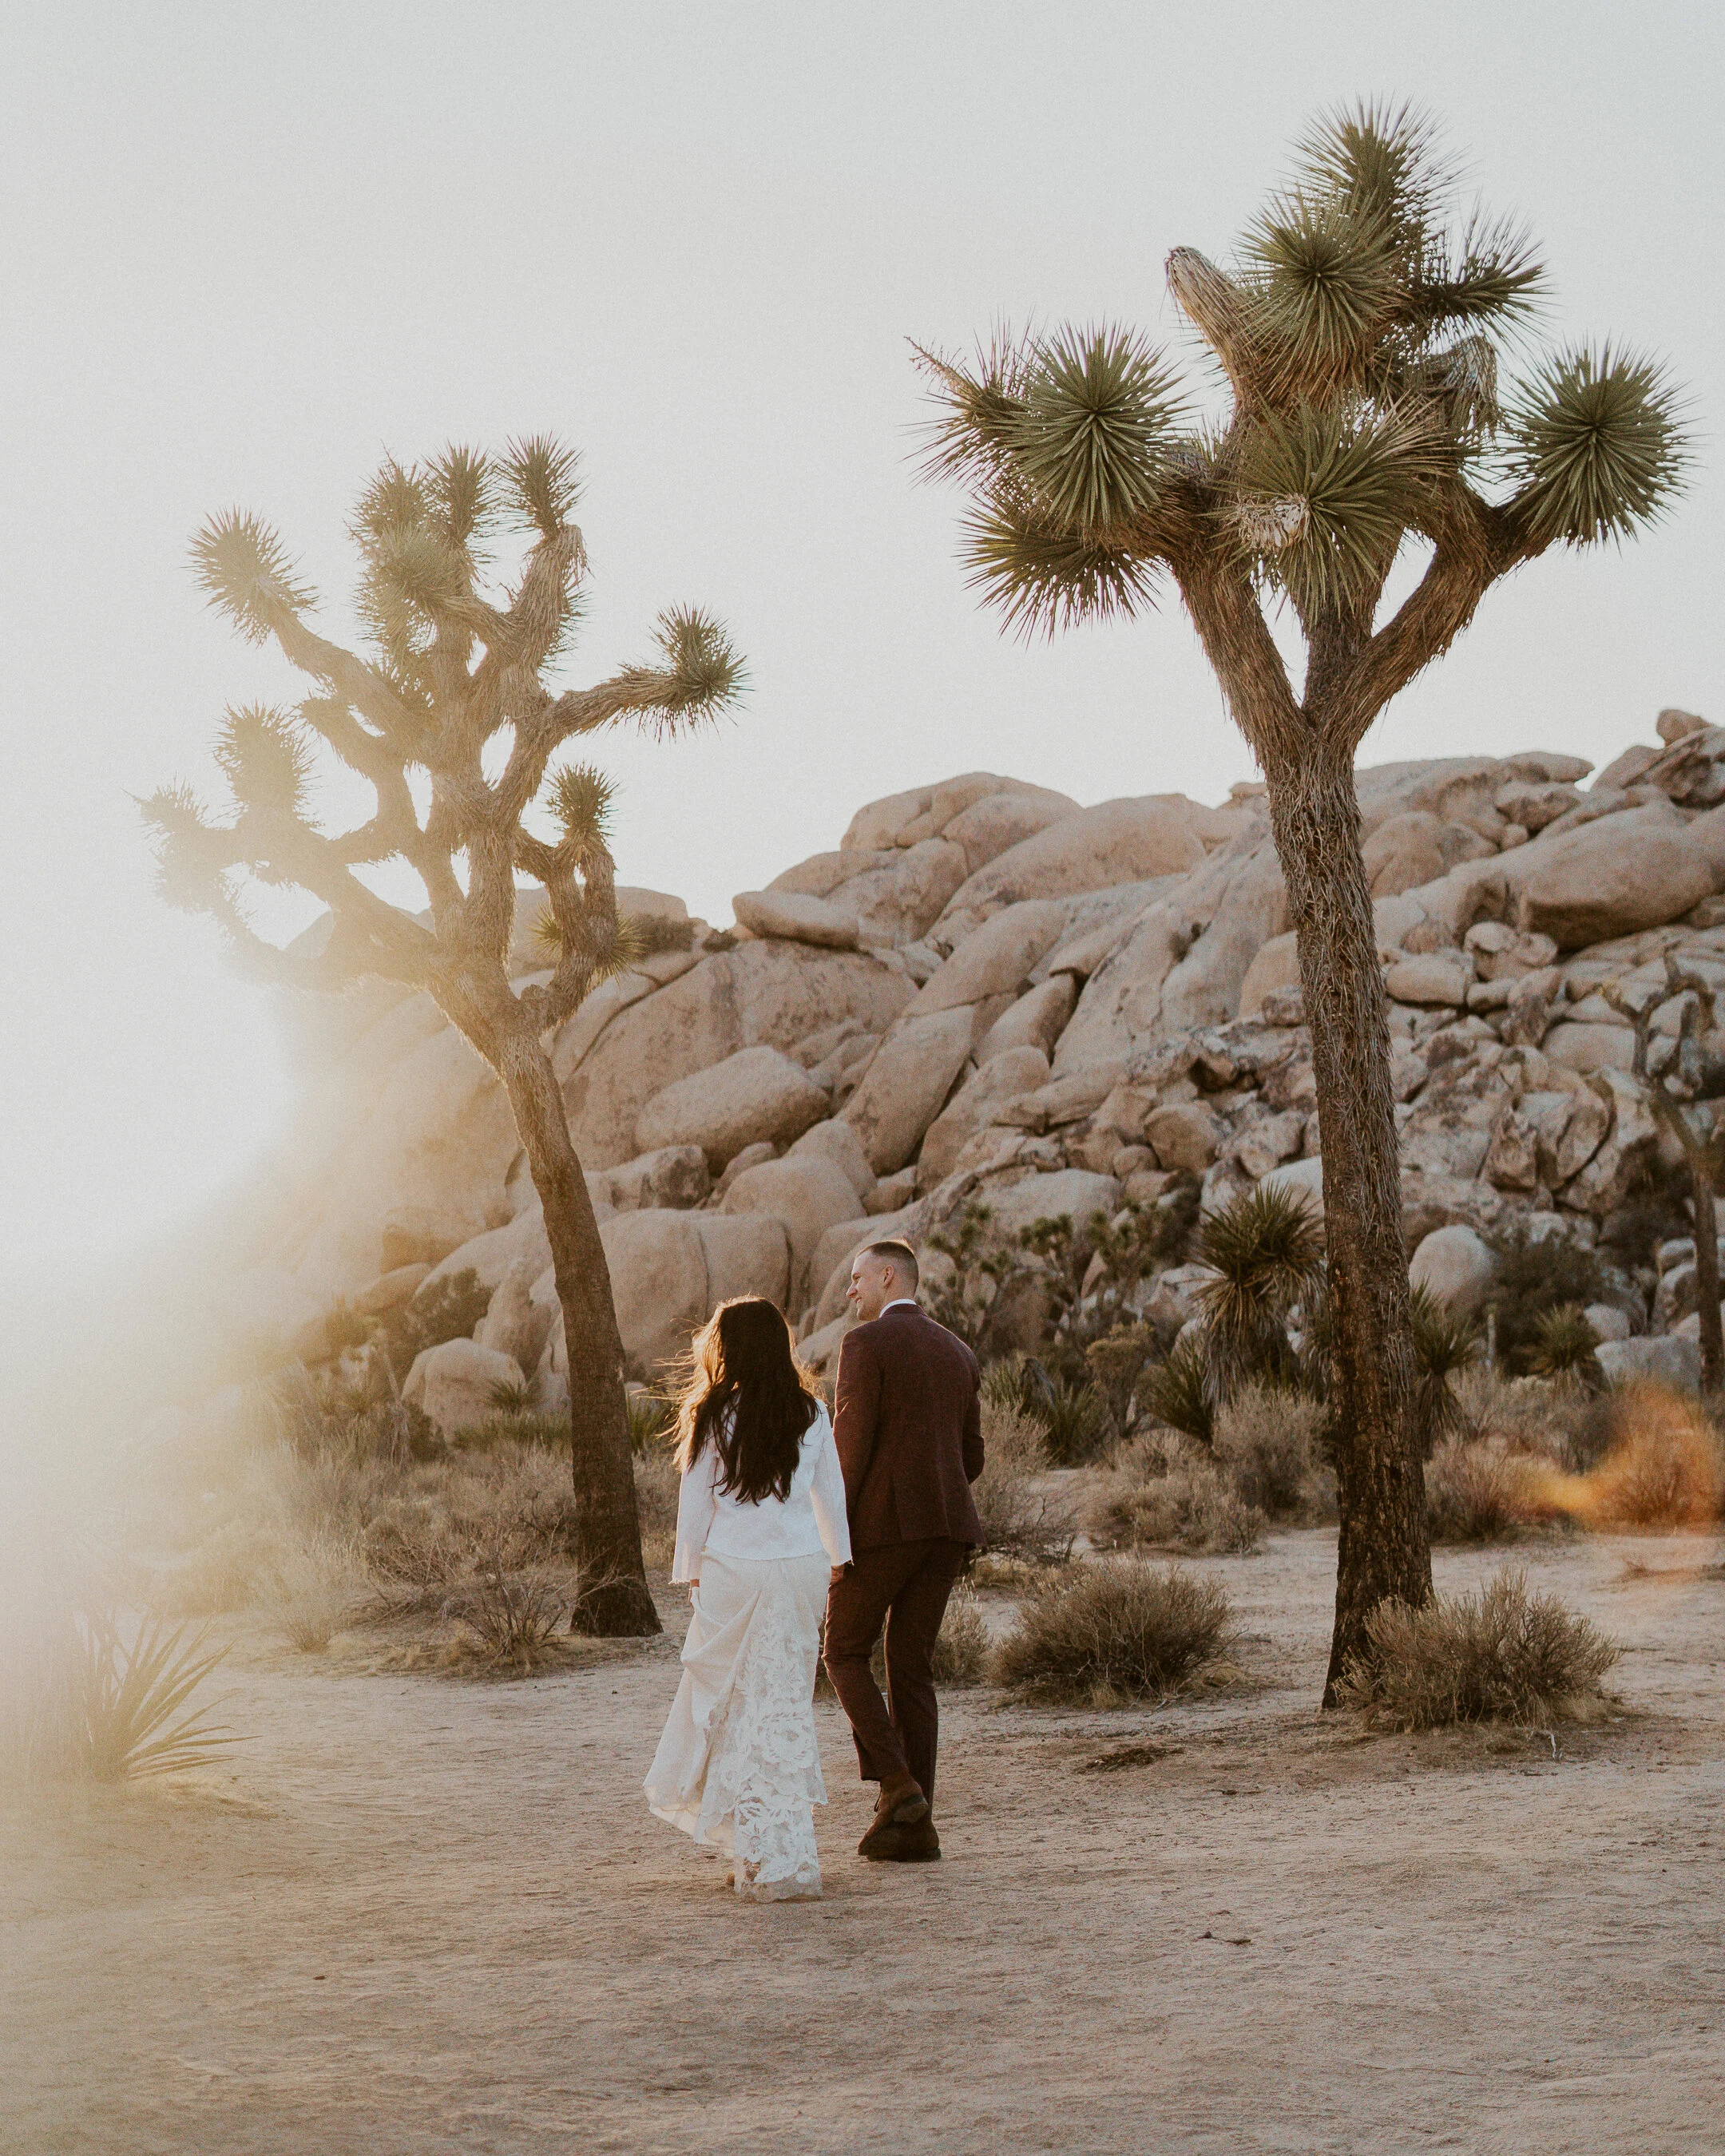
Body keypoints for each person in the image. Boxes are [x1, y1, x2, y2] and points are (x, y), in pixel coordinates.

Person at [644, 1297, 852, 1901]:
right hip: (799, 1567)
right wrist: (839, 1559)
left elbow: (695, 1503)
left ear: (730, 1349)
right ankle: (778, 1851)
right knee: (783, 1704)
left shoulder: (714, 1413)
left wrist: (691, 1571)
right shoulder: (812, 1412)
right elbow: (830, 1494)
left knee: (735, 1703)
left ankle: (755, 1851)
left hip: (734, 1568)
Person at [823, 1239, 984, 1864]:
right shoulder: (959, 1351)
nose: (850, 1290)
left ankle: (898, 1786)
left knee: (842, 1651)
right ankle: (915, 1827)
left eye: (857, 1278)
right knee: (911, 1666)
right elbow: (972, 1458)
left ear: (889, 1276)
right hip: (948, 1529)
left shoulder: (864, 1345)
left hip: (884, 1528)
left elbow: (849, 1452)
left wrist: (836, 1541)